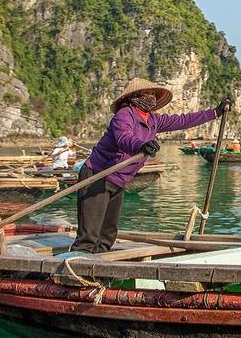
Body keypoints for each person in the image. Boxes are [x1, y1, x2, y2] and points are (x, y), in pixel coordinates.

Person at [70, 77, 230, 254]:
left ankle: (98, 271)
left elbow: (183, 120)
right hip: (96, 176)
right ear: (135, 97)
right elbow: (124, 138)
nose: (152, 97)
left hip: (118, 181)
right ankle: (74, 271)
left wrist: (215, 112)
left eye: (154, 94)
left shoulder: (154, 120)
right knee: (89, 236)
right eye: (148, 94)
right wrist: (141, 145)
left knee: (107, 235)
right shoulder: (124, 115)